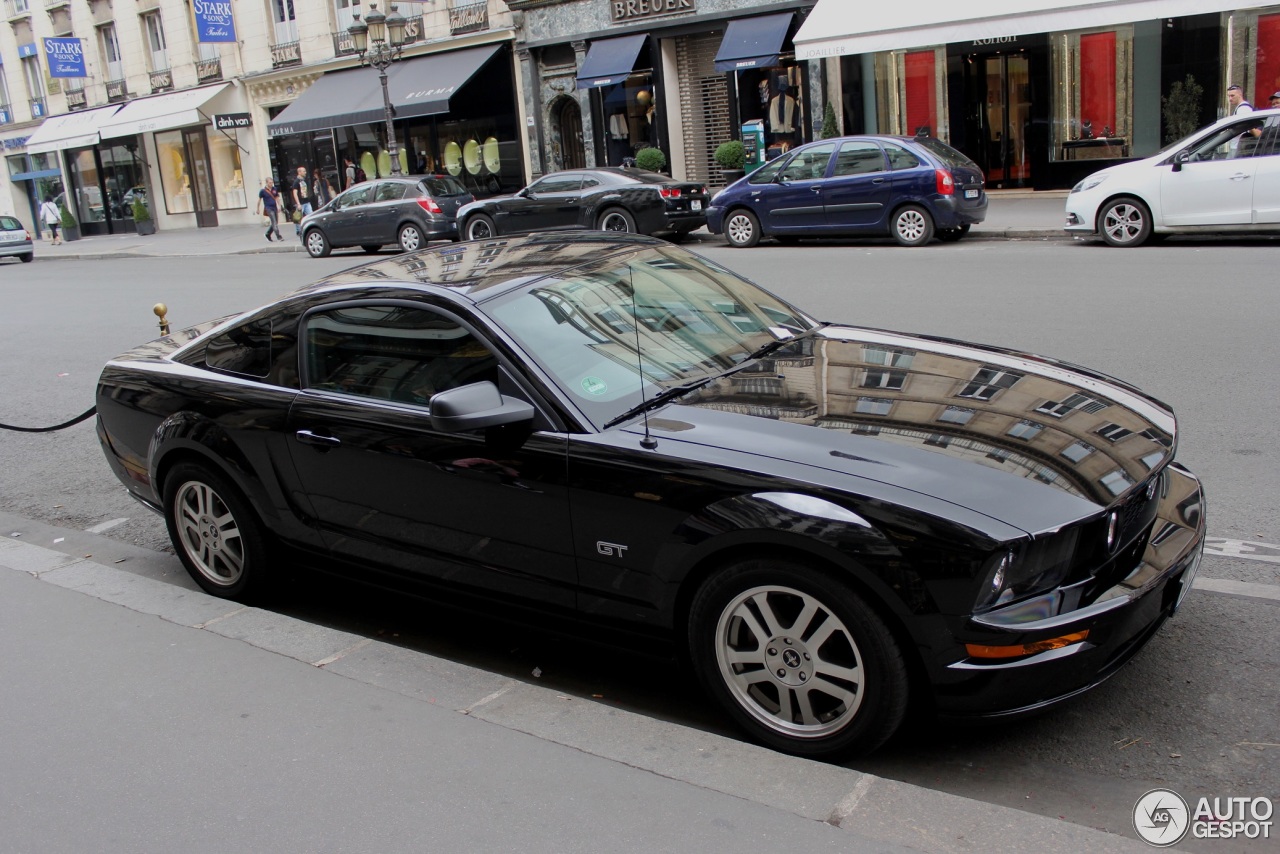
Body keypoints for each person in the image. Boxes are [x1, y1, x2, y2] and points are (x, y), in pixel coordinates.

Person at [256, 177, 283, 242]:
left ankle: (267, 234)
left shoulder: (274, 189)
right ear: (266, 183)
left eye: (272, 182)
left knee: (275, 222)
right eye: (270, 183)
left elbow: (277, 198)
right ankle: (278, 237)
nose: (271, 184)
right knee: (274, 222)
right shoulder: (263, 191)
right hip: (268, 208)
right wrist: (258, 209)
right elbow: (259, 200)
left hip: (274, 207)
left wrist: (279, 206)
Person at [291, 166, 312, 236]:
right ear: (299, 172)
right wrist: (298, 203)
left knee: (311, 215)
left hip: (306, 201)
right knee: (298, 217)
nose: (305, 172)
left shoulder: (304, 180)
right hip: (300, 203)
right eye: (304, 171)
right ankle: (298, 231)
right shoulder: (296, 182)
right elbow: (295, 193)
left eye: (305, 171)